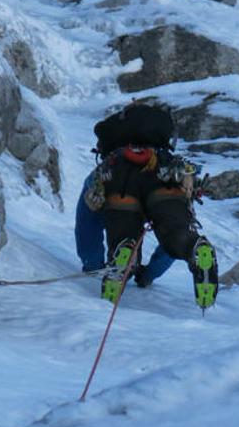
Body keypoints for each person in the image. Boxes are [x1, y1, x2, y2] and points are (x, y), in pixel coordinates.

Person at [78, 101, 218, 308]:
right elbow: (173, 229)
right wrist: (149, 275)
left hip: (118, 180)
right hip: (164, 177)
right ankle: (194, 249)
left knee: (124, 236)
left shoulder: (107, 168)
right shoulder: (172, 164)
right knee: (176, 229)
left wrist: (93, 265)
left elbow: (86, 225)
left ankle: (124, 259)